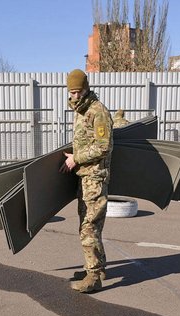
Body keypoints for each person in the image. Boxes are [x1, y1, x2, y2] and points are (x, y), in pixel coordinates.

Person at [61, 69, 113, 294]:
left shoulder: (96, 111)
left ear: (86, 88)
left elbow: (104, 146)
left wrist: (76, 159)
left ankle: (94, 276)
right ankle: (96, 268)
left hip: (95, 178)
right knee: (89, 224)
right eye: (71, 92)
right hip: (85, 177)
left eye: (78, 91)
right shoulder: (81, 111)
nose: (74, 96)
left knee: (89, 227)